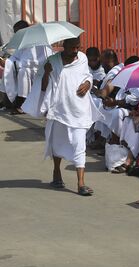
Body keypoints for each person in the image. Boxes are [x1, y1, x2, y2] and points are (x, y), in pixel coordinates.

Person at [22, 37, 101, 196]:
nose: (75, 51)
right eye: (72, 47)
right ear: (63, 46)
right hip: (58, 110)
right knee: (56, 144)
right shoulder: (51, 61)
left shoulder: (83, 58)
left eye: (77, 47)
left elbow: (88, 76)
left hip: (79, 109)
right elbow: (42, 87)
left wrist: (87, 84)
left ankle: (81, 183)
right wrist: (46, 73)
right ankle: (56, 172)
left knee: (80, 144)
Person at [3, 20, 53, 114]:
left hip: (39, 69)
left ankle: (20, 103)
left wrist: (16, 63)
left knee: (23, 72)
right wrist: (9, 61)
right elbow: (18, 56)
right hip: (27, 68)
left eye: (17, 32)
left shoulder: (38, 39)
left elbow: (33, 60)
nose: (16, 35)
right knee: (11, 68)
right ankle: (12, 102)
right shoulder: (24, 41)